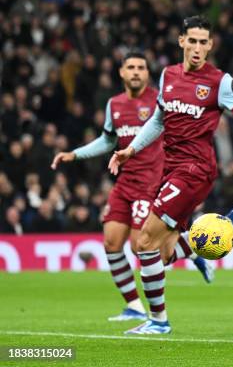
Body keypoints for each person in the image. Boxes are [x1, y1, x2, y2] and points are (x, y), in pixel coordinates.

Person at [108, 16, 233, 334]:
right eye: (192, 41)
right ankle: (230, 223)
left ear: (210, 46)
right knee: (163, 254)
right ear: (181, 41)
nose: (197, 48)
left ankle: (158, 322)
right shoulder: (168, 75)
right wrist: (132, 149)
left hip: (195, 171)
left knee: (143, 242)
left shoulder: (219, 81)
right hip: (170, 170)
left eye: (203, 42)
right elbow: (157, 120)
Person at [52, 52, 219, 322]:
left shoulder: (161, 99)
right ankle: (134, 306)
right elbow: (108, 141)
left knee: (141, 248)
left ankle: (194, 249)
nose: (136, 72)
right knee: (110, 242)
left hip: (152, 184)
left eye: (141, 67)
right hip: (125, 183)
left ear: (147, 72)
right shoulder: (114, 104)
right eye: (130, 67)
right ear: (121, 72)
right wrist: (75, 154)